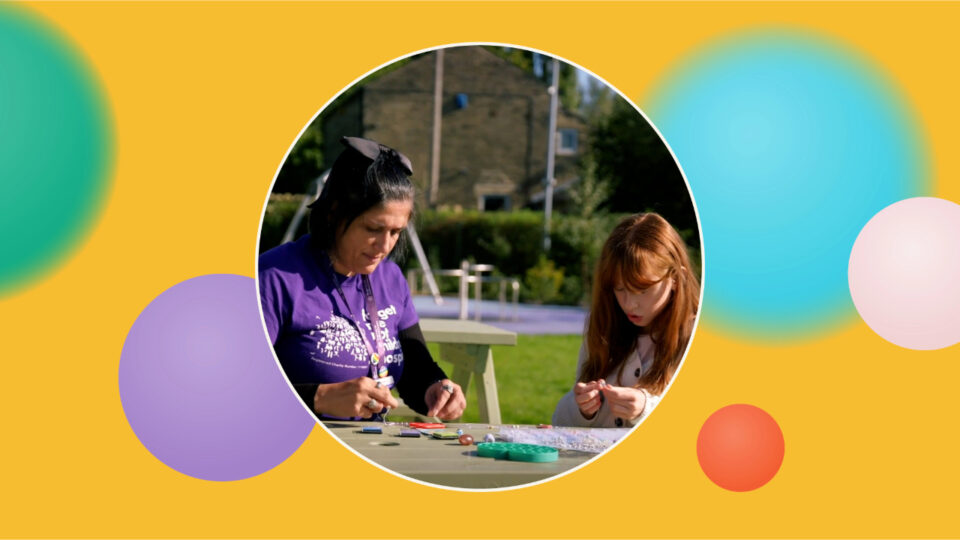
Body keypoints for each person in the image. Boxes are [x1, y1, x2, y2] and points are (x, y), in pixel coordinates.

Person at [259, 136, 466, 421]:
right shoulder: (274, 276)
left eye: (396, 232)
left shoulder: (391, 277)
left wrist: (435, 387)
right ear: (334, 213)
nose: (384, 247)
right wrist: (319, 398)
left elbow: (414, 366)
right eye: (373, 228)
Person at [553, 213, 700, 428]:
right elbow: (559, 423)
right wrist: (582, 408)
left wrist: (645, 407)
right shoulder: (604, 325)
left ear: (676, 279)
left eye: (642, 290)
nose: (629, 304)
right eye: (619, 288)